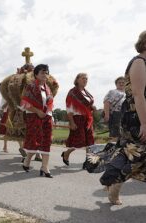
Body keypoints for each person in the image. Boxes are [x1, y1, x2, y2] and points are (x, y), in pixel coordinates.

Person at [93, 31, 146, 205]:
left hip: (141, 114)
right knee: (135, 153)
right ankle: (113, 183)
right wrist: (144, 123)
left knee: (136, 155)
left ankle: (113, 183)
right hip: (136, 116)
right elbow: (138, 95)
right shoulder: (139, 62)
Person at [20, 64, 54, 178]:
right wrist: (37, 111)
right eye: (42, 72)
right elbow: (24, 104)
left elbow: (50, 104)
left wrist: (50, 116)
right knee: (34, 142)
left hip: (46, 118)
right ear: (36, 74)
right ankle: (27, 160)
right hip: (34, 117)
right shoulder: (30, 86)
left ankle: (45, 167)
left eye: (46, 72)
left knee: (46, 142)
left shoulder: (48, 89)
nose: (45, 75)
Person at [61, 73, 96, 166]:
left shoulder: (86, 92)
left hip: (87, 119)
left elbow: (87, 106)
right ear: (77, 80)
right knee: (78, 141)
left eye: (86, 79)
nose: (85, 80)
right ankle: (66, 153)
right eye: (83, 78)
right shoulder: (72, 92)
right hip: (77, 119)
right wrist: (71, 122)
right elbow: (69, 108)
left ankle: (88, 161)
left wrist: (92, 107)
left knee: (90, 141)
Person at [103, 77, 126, 141]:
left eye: (123, 82)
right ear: (116, 84)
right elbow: (106, 102)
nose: (121, 84)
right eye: (119, 82)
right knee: (115, 134)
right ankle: (113, 147)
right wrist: (107, 115)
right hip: (115, 114)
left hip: (125, 115)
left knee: (124, 134)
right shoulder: (112, 92)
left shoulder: (127, 93)